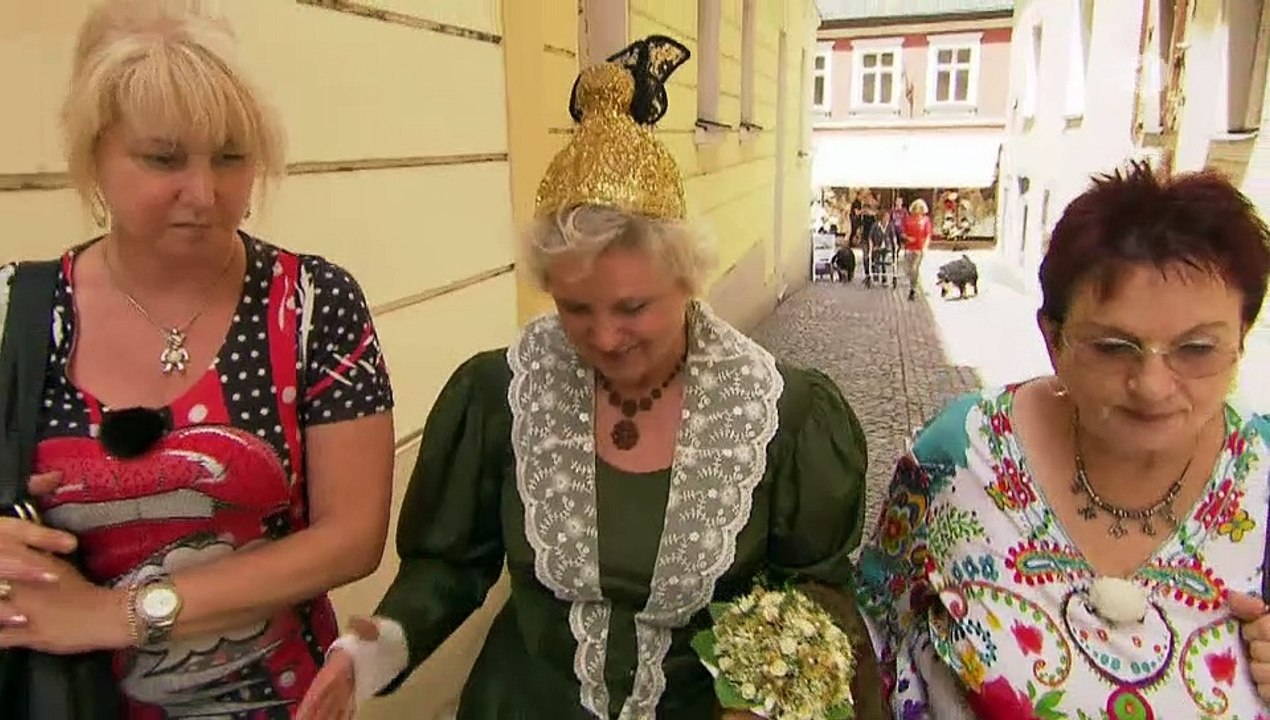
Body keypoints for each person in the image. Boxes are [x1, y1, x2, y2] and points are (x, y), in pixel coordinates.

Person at [298, 35, 885, 720]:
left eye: (634, 307)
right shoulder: (501, 395)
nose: (605, 337)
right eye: (575, 308)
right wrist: (366, 652)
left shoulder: (782, 416)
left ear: (688, 280)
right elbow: (449, 567)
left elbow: (816, 592)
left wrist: (775, 694)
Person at [0, 1, 395, 716]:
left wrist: (119, 612)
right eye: (163, 158)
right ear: (93, 153)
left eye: (231, 158)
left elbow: (351, 536)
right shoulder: (16, 315)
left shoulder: (312, 305)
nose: (205, 194)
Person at [855, 162, 1270, 718]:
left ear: (1240, 341)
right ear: (1053, 340)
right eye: (1113, 346)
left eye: (1196, 350)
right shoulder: (960, 454)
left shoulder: (1262, 483)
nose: (1151, 387)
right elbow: (873, 628)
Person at [900, 198, 932, 301]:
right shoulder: (908, 219)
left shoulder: (925, 220)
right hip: (909, 247)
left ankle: (912, 290)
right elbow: (903, 232)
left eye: (920, 209)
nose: (917, 211)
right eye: (916, 208)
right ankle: (915, 283)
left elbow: (928, 235)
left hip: (919, 248)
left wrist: (925, 246)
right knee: (907, 270)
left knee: (914, 268)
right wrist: (907, 238)